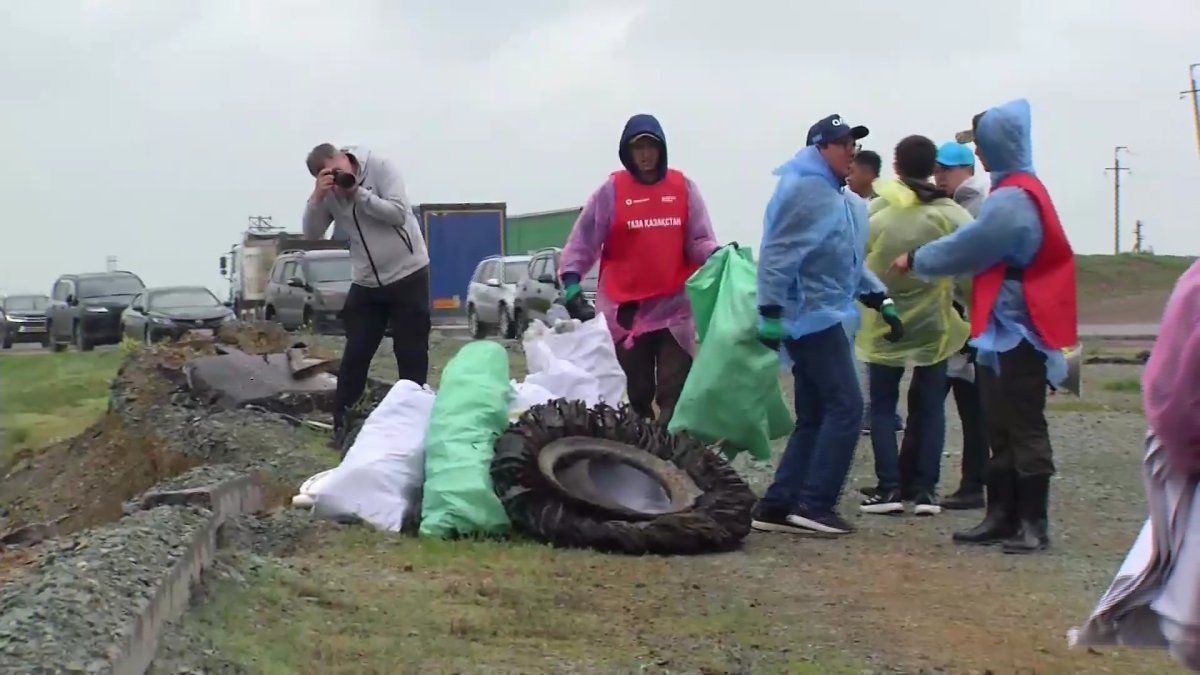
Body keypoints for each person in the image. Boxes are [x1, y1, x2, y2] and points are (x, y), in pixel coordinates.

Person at [891, 98, 1078, 554]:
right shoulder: (1014, 191)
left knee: (1023, 423)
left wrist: (918, 259)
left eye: (983, 144)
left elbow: (973, 245)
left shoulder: (1013, 199)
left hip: (1020, 325)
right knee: (999, 421)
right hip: (1003, 323)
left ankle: (1032, 522)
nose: (979, 153)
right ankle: (1003, 515)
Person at [752, 114, 903, 536]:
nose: (850, 149)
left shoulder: (843, 201)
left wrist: (881, 298)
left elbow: (848, 262)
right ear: (819, 149)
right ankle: (815, 503)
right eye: (840, 143)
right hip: (808, 319)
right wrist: (769, 312)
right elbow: (779, 254)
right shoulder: (803, 190)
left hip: (829, 315)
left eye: (853, 142)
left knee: (816, 413)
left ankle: (778, 505)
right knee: (848, 407)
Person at [558, 114, 719, 426]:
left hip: (675, 309)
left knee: (676, 391)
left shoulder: (682, 188)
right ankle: (639, 457)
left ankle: (673, 457)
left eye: (651, 146)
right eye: (638, 147)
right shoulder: (612, 192)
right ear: (627, 152)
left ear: (662, 149)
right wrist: (572, 283)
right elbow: (584, 239)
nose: (645, 154)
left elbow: (698, 239)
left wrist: (716, 255)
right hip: (628, 313)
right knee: (637, 393)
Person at [855, 135, 973, 517]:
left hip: (882, 320)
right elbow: (974, 256)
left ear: (896, 166)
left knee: (884, 408)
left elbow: (854, 257)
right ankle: (925, 491)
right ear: (932, 167)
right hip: (935, 322)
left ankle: (889, 488)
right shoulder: (951, 213)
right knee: (930, 406)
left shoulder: (877, 212)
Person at [301, 143, 432, 448]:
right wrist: (317, 198)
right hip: (367, 280)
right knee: (355, 357)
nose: (337, 176)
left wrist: (358, 193)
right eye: (327, 175)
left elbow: (399, 214)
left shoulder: (381, 167)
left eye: (337, 169)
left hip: (408, 271)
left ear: (342, 157)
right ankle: (343, 428)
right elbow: (311, 234)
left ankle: (415, 429)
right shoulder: (328, 194)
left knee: (411, 353)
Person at [846, 149, 904, 436]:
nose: (848, 176)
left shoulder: (876, 207)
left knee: (872, 353)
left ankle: (876, 411)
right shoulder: (860, 204)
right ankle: (880, 410)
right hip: (869, 287)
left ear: (868, 173)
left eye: (853, 171)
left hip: (873, 288)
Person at [933, 142, 990, 217]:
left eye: (946, 169)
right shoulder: (938, 207)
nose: (939, 177)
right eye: (935, 171)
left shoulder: (981, 205)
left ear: (968, 170)